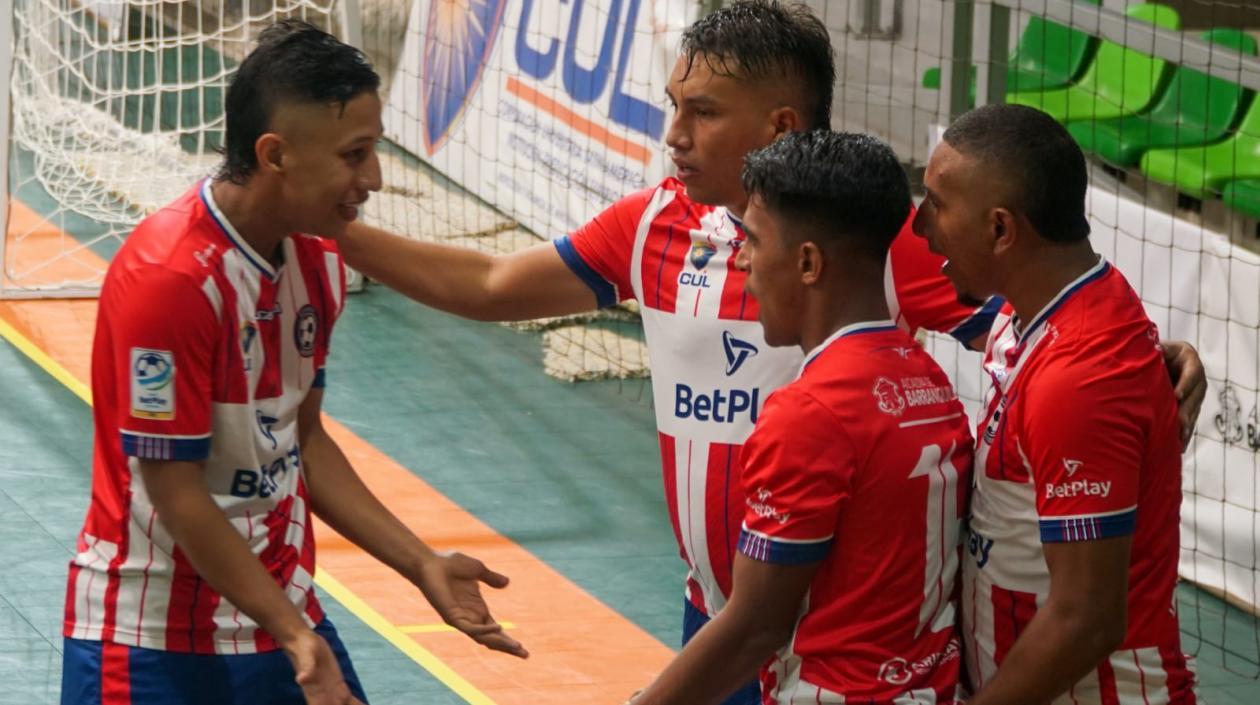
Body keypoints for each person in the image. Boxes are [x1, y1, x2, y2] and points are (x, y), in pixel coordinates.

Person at [337, 2, 1205, 701]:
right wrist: (339, 233)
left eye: (702, 112)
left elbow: (1031, 312)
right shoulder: (650, 227)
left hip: (832, 645)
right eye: (674, 103)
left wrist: (1141, 364)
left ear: (780, 125)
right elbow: (491, 286)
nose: (672, 132)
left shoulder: (885, 243)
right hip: (714, 617)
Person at [60, 21, 526, 705]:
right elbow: (176, 492)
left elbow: (301, 440)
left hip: (277, 614)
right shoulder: (171, 280)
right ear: (275, 154)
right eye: (353, 154)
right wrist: (291, 630)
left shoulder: (320, 258)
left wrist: (419, 561)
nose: (372, 179)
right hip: (153, 637)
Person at [630, 130, 973, 705]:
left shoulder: (808, 412)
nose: (740, 260)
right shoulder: (927, 379)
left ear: (809, 262)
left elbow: (755, 627)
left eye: (754, 242)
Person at [913, 103, 1196, 704]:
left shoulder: (1081, 378)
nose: (921, 227)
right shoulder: (1030, 310)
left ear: (1000, 230)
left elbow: (1087, 621)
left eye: (936, 204)